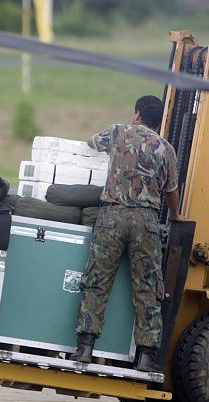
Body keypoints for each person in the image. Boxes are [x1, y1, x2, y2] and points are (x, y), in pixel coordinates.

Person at [72, 95, 185, 372]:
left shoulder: (117, 132)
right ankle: (146, 355)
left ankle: (85, 347)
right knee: (147, 286)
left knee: (97, 281)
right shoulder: (166, 148)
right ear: (159, 121)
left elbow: (90, 142)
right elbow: (171, 190)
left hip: (112, 216)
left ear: (137, 114)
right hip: (146, 221)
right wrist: (177, 215)